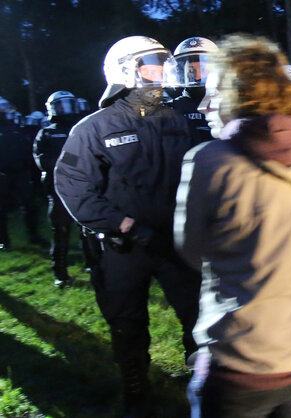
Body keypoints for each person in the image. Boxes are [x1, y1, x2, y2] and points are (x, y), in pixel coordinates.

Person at [175, 34, 291, 418]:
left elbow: (191, 250)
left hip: (241, 359)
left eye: (214, 91)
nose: (203, 104)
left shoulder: (210, 160)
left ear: (237, 94)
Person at [53, 36, 201, 416]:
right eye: (153, 62)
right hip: (124, 247)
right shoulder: (94, 127)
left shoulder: (177, 119)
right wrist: (120, 223)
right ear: (125, 69)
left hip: (175, 242)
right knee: (127, 323)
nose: (163, 69)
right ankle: (137, 390)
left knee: (197, 317)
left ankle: (202, 382)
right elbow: (72, 186)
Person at [33, 90, 82, 287]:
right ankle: (60, 273)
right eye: (62, 106)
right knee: (60, 231)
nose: (66, 110)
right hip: (58, 189)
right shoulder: (46, 132)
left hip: (82, 187)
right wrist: (72, 161)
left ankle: (93, 265)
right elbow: (42, 160)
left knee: (88, 229)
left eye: (69, 104)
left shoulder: (80, 128)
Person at [0, 97, 45, 251]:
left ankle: (34, 236)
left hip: (20, 173)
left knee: (30, 205)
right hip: (2, 174)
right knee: (1, 210)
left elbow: (25, 148)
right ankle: (3, 242)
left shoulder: (14, 127)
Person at [164, 36, 218, 145]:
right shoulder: (171, 108)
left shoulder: (224, 105)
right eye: (191, 69)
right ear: (180, 71)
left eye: (203, 69)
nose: (197, 75)